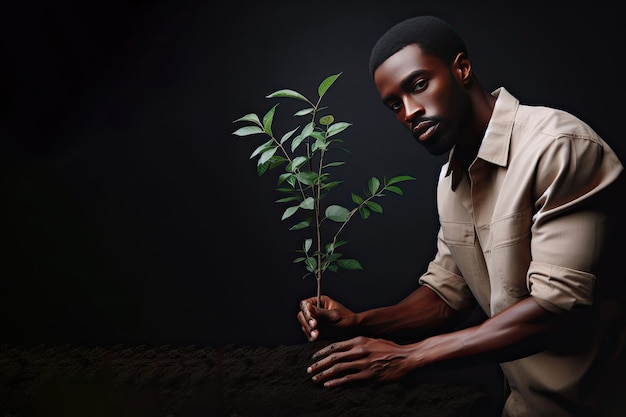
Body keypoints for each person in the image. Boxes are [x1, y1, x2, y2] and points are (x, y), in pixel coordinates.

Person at [296, 15, 625, 417]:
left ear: (462, 69)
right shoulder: (450, 181)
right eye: (394, 105)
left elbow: (558, 310)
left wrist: (410, 356)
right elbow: (446, 297)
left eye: (418, 85)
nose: (409, 112)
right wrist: (361, 322)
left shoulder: (558, 148)